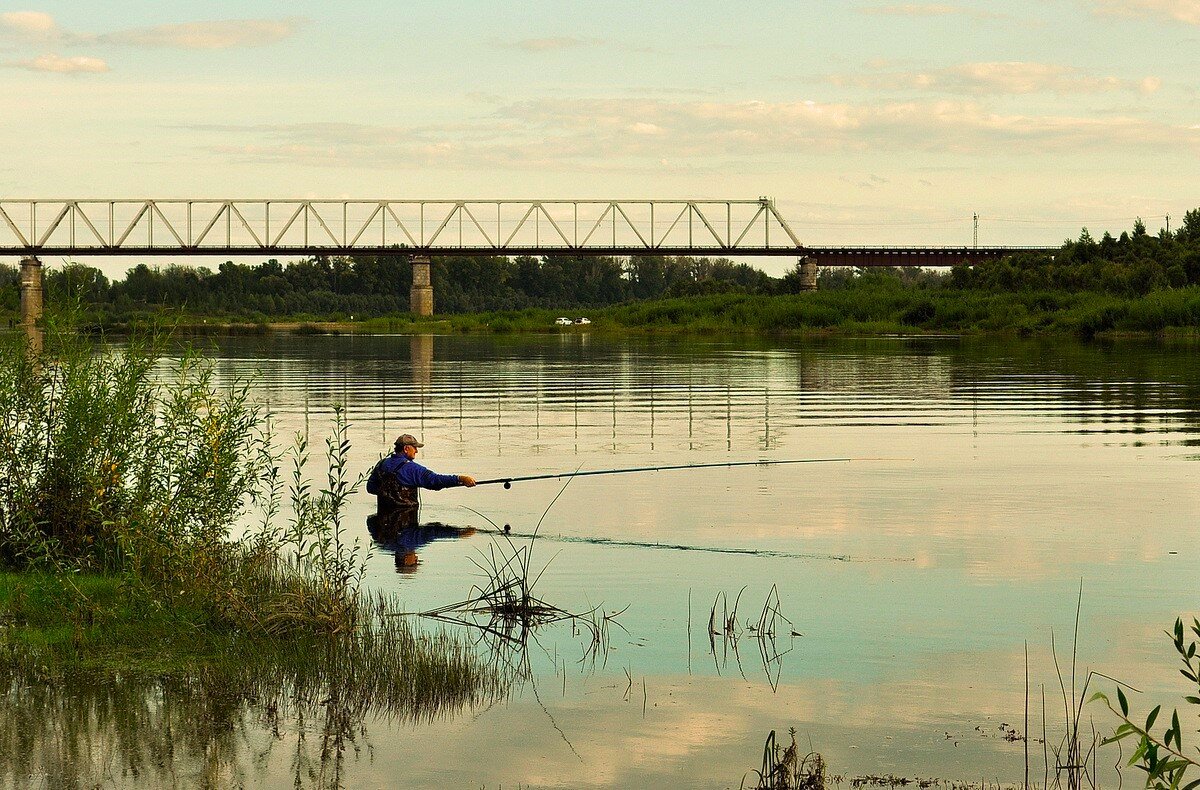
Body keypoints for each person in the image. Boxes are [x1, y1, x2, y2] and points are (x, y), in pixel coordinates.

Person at [366, 433, 476, 516]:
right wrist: (460, 478)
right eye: (415, 447)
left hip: (383, 529)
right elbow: (435, 481)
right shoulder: (412, 469)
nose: (416, 451)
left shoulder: (381, 464)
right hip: (407, 523)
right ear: (406, 448)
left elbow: (370, 488)